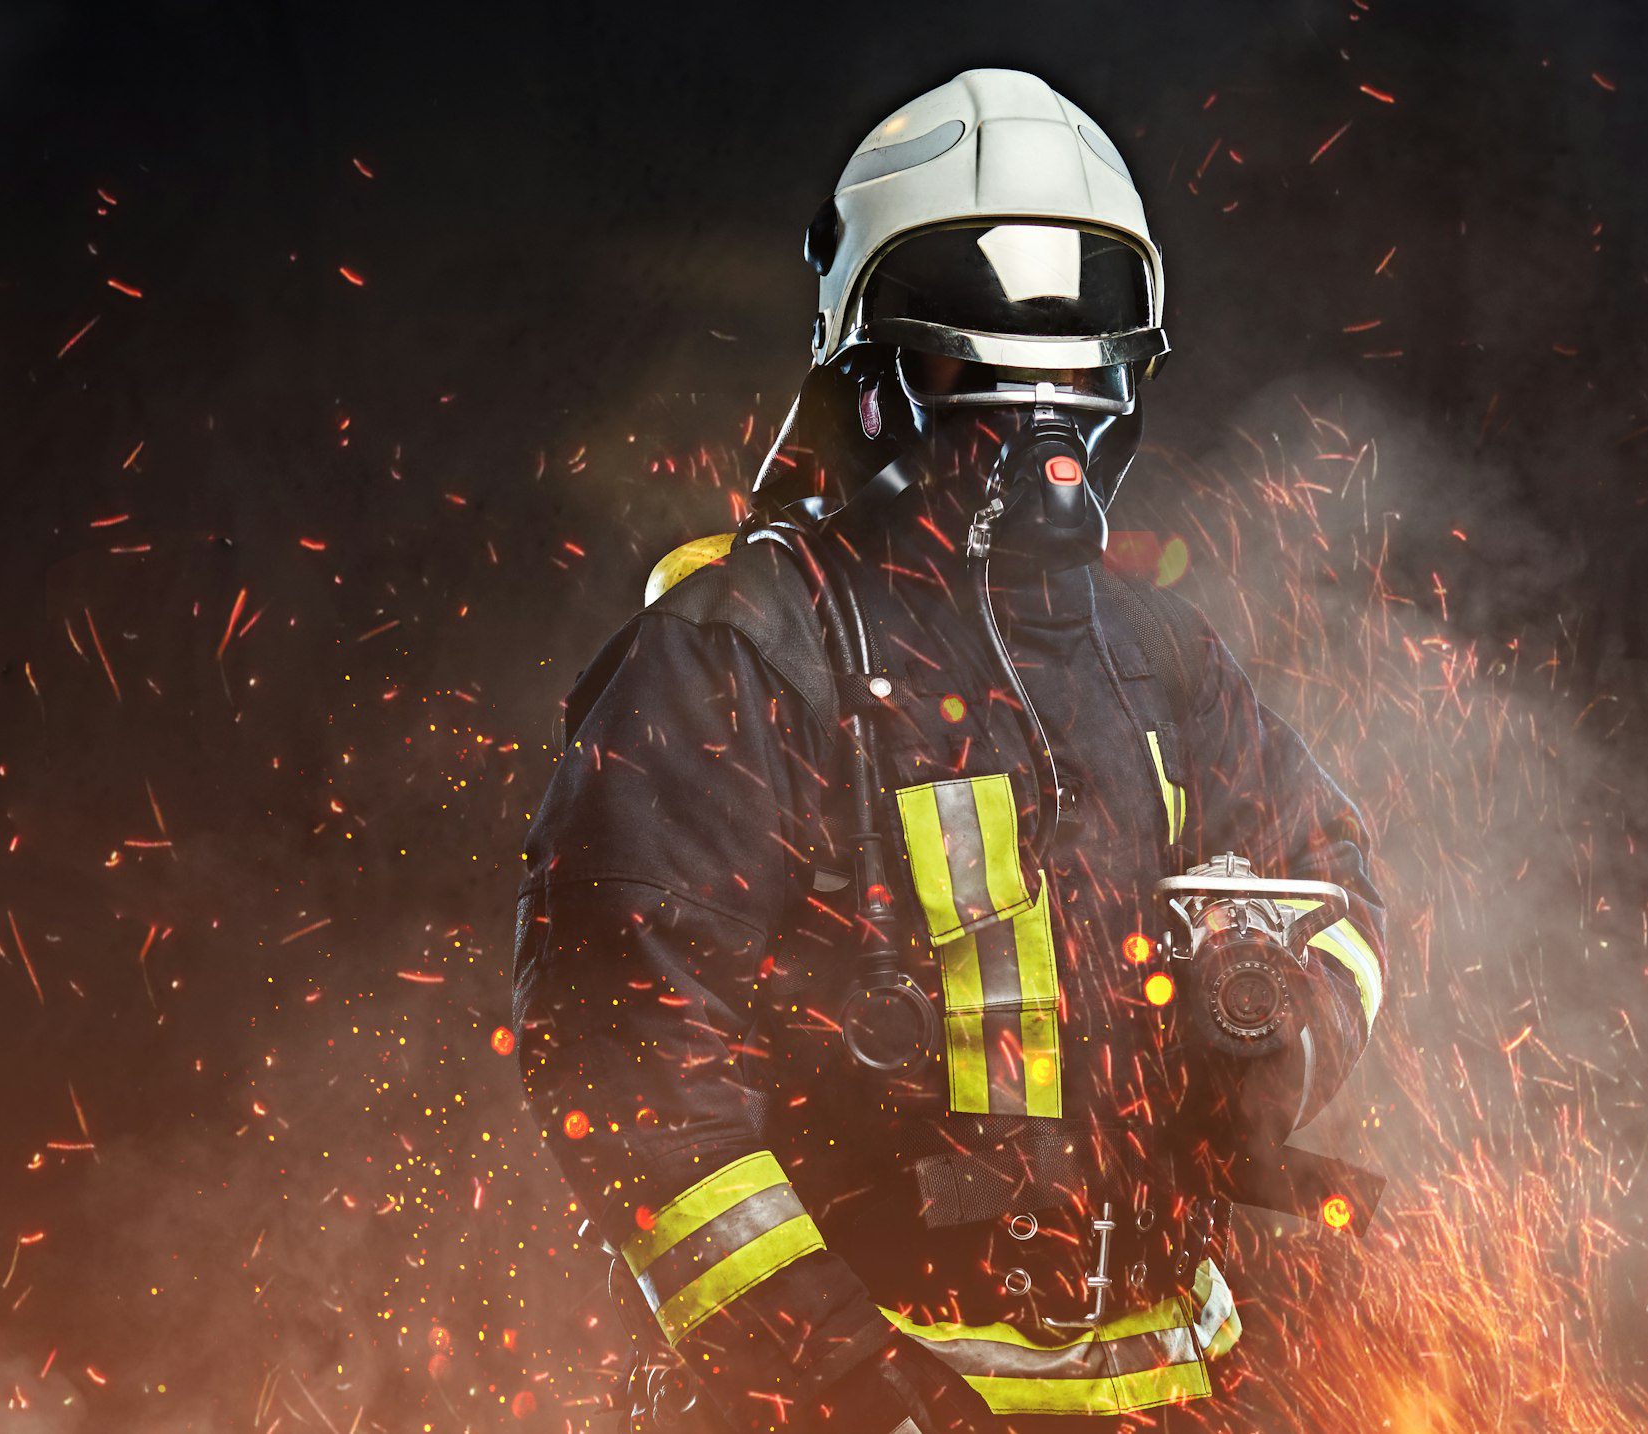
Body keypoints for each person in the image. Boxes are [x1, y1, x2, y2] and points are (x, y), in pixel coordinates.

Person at [513, 68, 1388, 1433]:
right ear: (862, 375)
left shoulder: (1156, 654)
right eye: (973, 362)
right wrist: (847, 1382)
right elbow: (624, 1071)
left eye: (1074, 360)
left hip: (1186, 1388)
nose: (1037, 418)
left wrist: (1272, 1043)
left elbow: (1334, 880)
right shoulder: (742, 653)